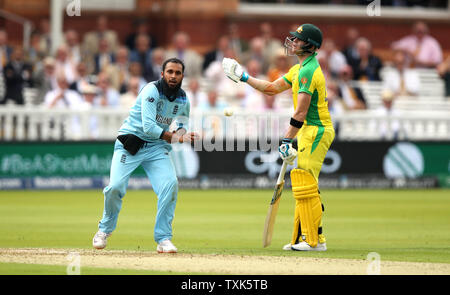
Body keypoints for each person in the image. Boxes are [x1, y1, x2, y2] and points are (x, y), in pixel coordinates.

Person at [223, 23, 334, 251]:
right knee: (304, 181)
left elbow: (301, 112)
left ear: (311, 46)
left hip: (316, 129)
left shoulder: (307, 72)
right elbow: (272, 88)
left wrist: (285, 140)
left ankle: (313, 241)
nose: (292, 42)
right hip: (308, 131)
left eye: (297, 39)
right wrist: (243, 77)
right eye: (292, 38)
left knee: (305, 182)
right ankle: (308, 238)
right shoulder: (299, 68)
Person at [92, 58, 199, 253]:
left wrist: (183, 135)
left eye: (177, 73)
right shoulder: (151, 90)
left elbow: (182, 127)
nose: (173, 76)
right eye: (170, 72)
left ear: (182, 76)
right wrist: (175, 138)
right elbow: (149, 127)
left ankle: (163, 238)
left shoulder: (184, 99)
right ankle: (104, 230)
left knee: (170, 185)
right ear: (162, 74)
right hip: (130, 143)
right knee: (115, 187)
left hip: (156, 147)